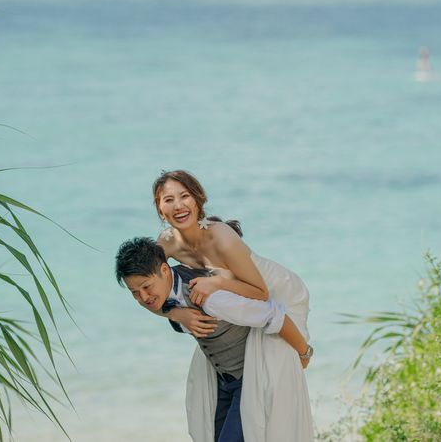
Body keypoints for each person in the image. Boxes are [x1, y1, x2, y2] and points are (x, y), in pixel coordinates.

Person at [153, 170, 315, 442]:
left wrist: (216, 283)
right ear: (160, 209)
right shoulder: (166, 243)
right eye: (168, 200)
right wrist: (179, 314)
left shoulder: (222, 237)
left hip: (278, 292)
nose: (178, 205)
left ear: (198, 199)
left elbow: (261, 293)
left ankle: (304, 353)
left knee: (270, 398)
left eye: (185, 196)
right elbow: (148, 290)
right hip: (246, 303)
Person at [115, 237, 313, 442]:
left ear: (165, 270)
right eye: (134, 293)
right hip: (223, 382)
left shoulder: (210, 298)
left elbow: (274, 315)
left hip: (251, 380)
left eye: (146, 287)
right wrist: (175, 314)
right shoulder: (163, 292)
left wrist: (304, 353)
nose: (143, 297)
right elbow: (155, 303)